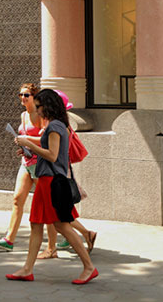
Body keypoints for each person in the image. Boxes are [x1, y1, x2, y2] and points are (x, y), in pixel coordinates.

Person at [7, 89, 98, 284]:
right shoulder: (58, 125)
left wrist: (29, 145)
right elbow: (50, 154)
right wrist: (29, 150)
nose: (37, 110)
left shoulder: (55, 126)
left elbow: (52, 155)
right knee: (38, 224)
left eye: (39, 106)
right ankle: (27, 269)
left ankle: (89, 267)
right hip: (50, 179)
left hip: (51, 181)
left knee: (60, 225)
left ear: (48, 106)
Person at [0, 83, 46, 252]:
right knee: (17, 200)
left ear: (34, 97)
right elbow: (25, 138)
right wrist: (23, 146)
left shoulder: (40, 115)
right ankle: (9, 240)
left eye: (26, 95)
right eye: (20, 95)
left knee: (49, 204)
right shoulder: (23, 116)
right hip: (26, 162)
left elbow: (46, 140)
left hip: (40, 164)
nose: (23, 98)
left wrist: (26, 139)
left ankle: (80, 233)